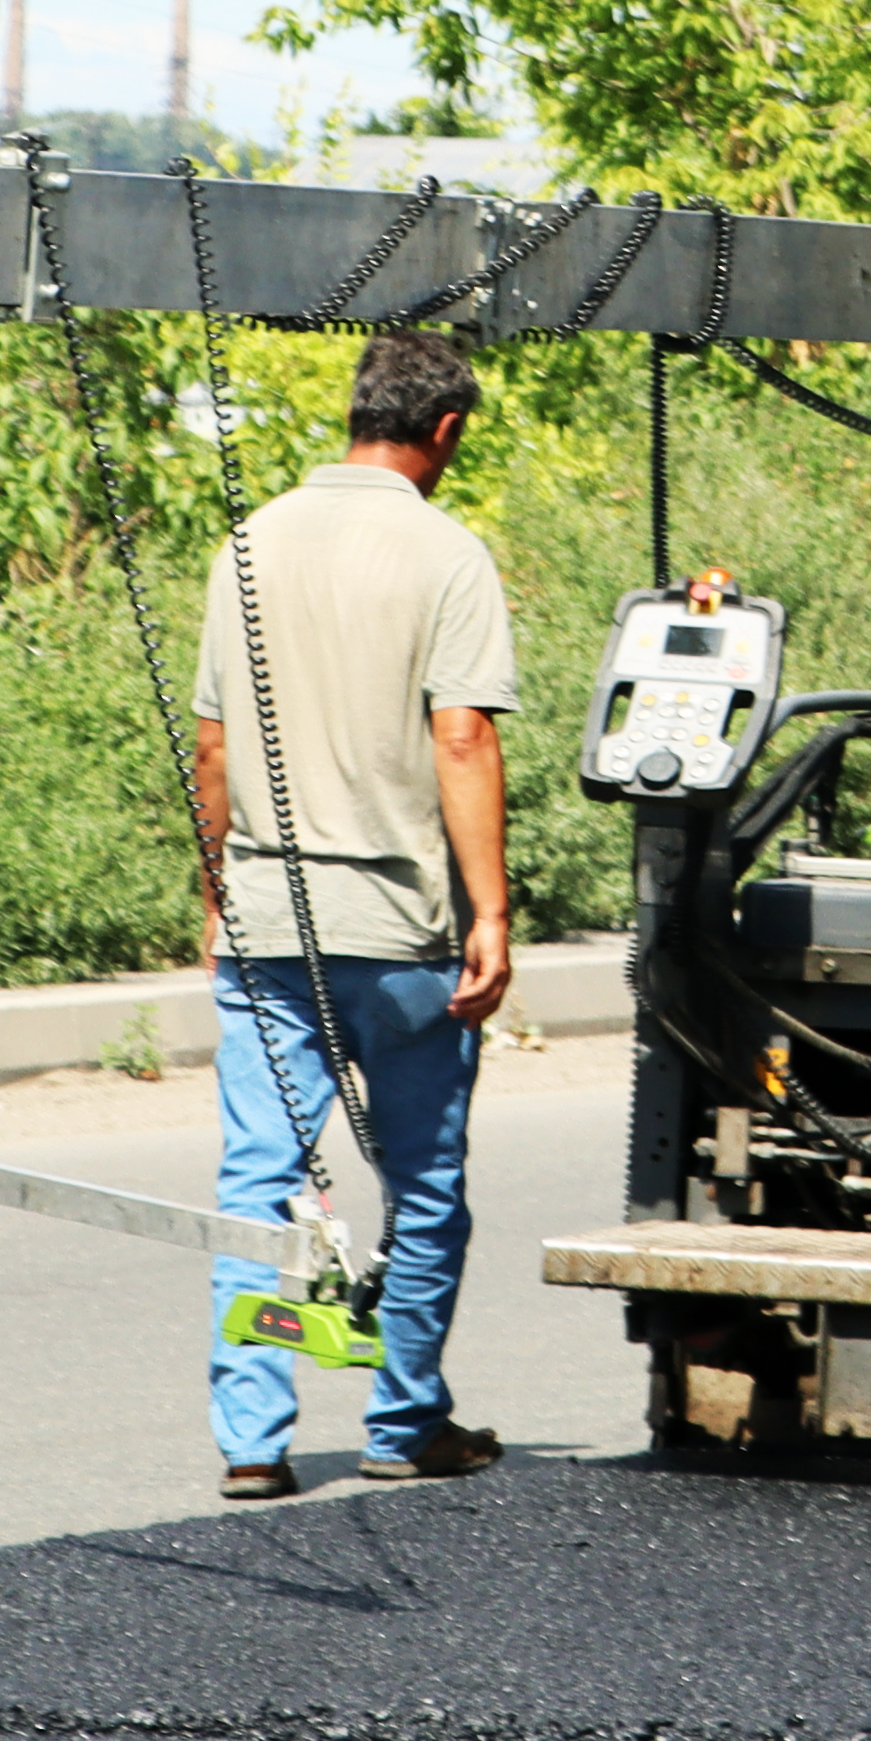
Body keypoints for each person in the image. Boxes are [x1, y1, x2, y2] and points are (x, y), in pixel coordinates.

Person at [193, 329, 522, 1499]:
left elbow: (217, 744)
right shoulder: (447, 556)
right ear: (443, 431)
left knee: (258, 1179)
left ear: (357, 410)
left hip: (270, 924)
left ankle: (252, 1440)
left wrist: (216, 889)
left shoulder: (246, 541)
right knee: (423, 1181)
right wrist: (490, 911)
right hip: (400, 932)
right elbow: (462, 734)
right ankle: (402, 1421)